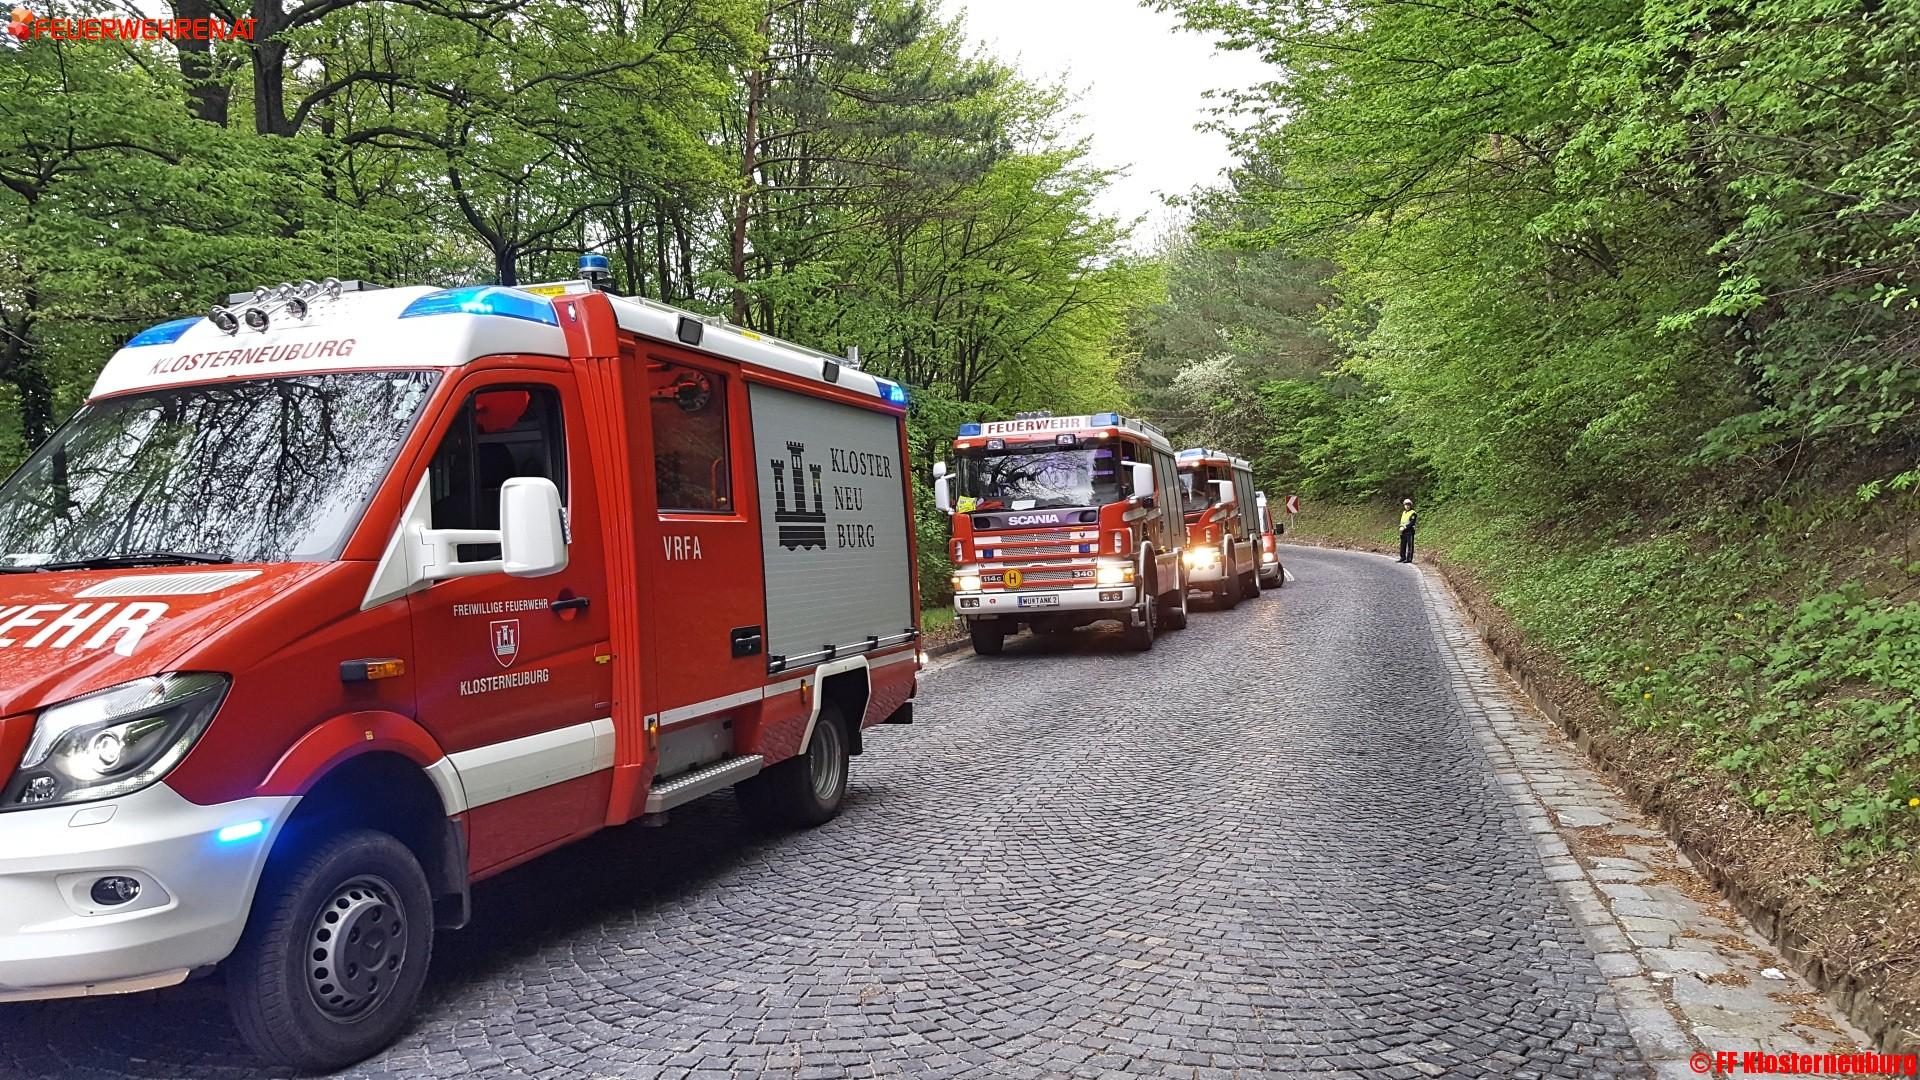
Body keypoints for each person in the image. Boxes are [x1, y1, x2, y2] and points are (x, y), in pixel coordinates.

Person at [1398, 498, 1417, 563]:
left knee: (1410, 545)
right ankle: (1402, 557)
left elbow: (1412, 523)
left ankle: (1409, 559)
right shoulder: (1404, 512)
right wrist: (1400, 528)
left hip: (1410, 531)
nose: (1407, 506)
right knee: (1402, 545)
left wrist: (1405, 527)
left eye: (1408, 504)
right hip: (1403, 531)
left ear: (1410, 505)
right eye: (1406, 504)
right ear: (1404, 505)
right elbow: (1402, 521)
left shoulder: (1413, 513)